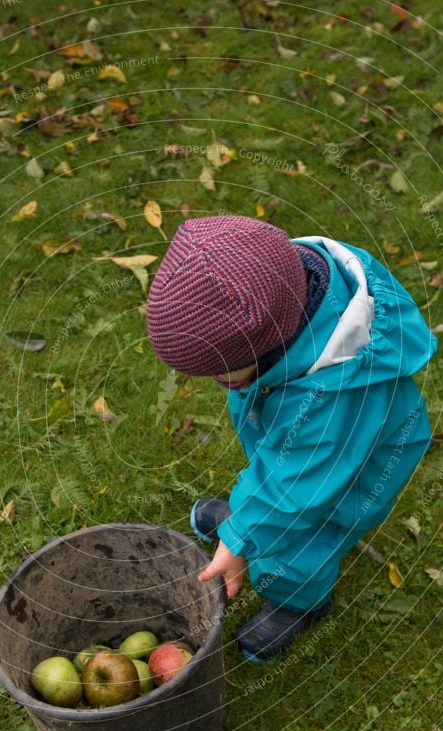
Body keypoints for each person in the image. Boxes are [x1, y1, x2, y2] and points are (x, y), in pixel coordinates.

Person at [146, 215, 437, 663]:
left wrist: (245, 533)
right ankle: (247, 525)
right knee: (273, 489)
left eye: (223, 371)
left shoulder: (330, 399)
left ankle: (298, 600)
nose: (221, 382)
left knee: (304, 539)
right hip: (305, 455)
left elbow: (296, 485)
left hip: (343, 479)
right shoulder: (287, 283)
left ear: (270, 343)